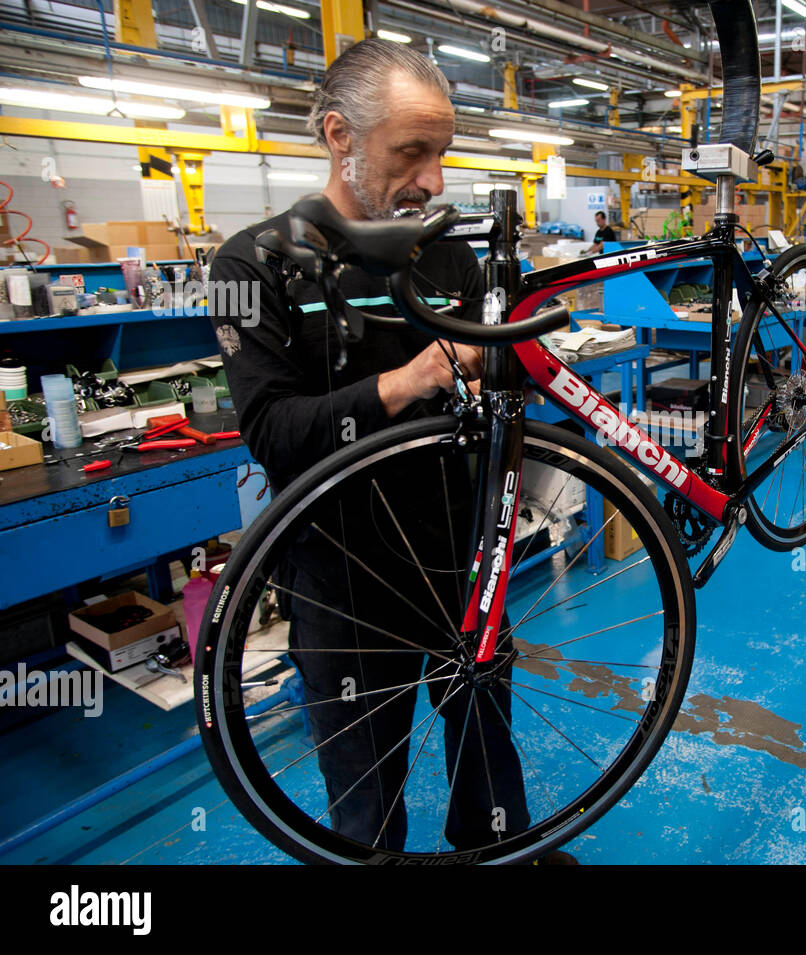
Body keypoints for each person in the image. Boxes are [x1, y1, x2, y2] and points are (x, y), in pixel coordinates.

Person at [208, 39, 534, 855]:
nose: (434, 180)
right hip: (341, 578)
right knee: (366, 805)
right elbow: (273, 431)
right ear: (339, 135)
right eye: (412, 152)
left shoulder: (449, 256)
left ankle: (497, 850)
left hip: (458, 553)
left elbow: (499, 394)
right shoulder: (252, 265)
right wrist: (409, 379)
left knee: (487, 753)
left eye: (443, 153)